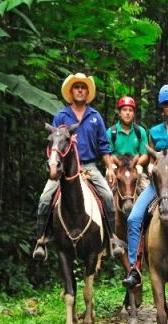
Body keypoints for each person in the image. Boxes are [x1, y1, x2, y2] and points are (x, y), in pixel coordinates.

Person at [32, 73, 125, 260]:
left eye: (83, 87)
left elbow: (103, 145)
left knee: (107, 196)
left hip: (89, 166)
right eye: (77, 87)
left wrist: (109, 167)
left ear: (87, 91)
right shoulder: (61, 115)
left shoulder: (95, 116)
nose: (80, 90)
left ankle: (112, 239)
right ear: (71, 91)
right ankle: (41, 240)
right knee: (45, 198)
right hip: (64, 170)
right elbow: (53, 144)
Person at [123, 84, 168, 287]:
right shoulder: (154, 131)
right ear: (162, 106)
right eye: (167, 103)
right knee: (134, 218)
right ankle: (135, 268)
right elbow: (150, 159)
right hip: (157, 185)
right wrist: (149, 168)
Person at [106, 96, 150, 191]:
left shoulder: (140, 131)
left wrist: (134, 163)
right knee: (105, 195)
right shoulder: (111, 132)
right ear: (120, 113)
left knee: (148, 192)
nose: (127, 113)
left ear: (133, 114)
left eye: (130, 110)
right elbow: (108, 155)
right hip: (116, 169)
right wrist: (114, 164)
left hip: (134, 168)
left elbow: (145, 155)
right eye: (124, 110)